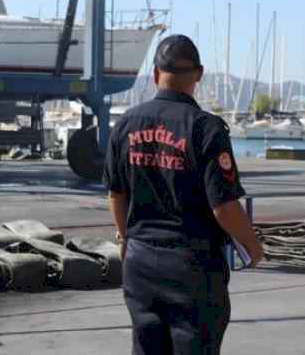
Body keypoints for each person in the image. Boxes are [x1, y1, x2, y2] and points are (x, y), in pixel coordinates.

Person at [105, 34, 265, 355]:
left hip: (140, 263)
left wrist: (125, 240)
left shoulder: (125, 124)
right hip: (192, 266)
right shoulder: (206, 129)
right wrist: (252, 247)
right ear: (199, 74)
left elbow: (116, 193)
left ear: (154, 75)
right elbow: (224, 207)